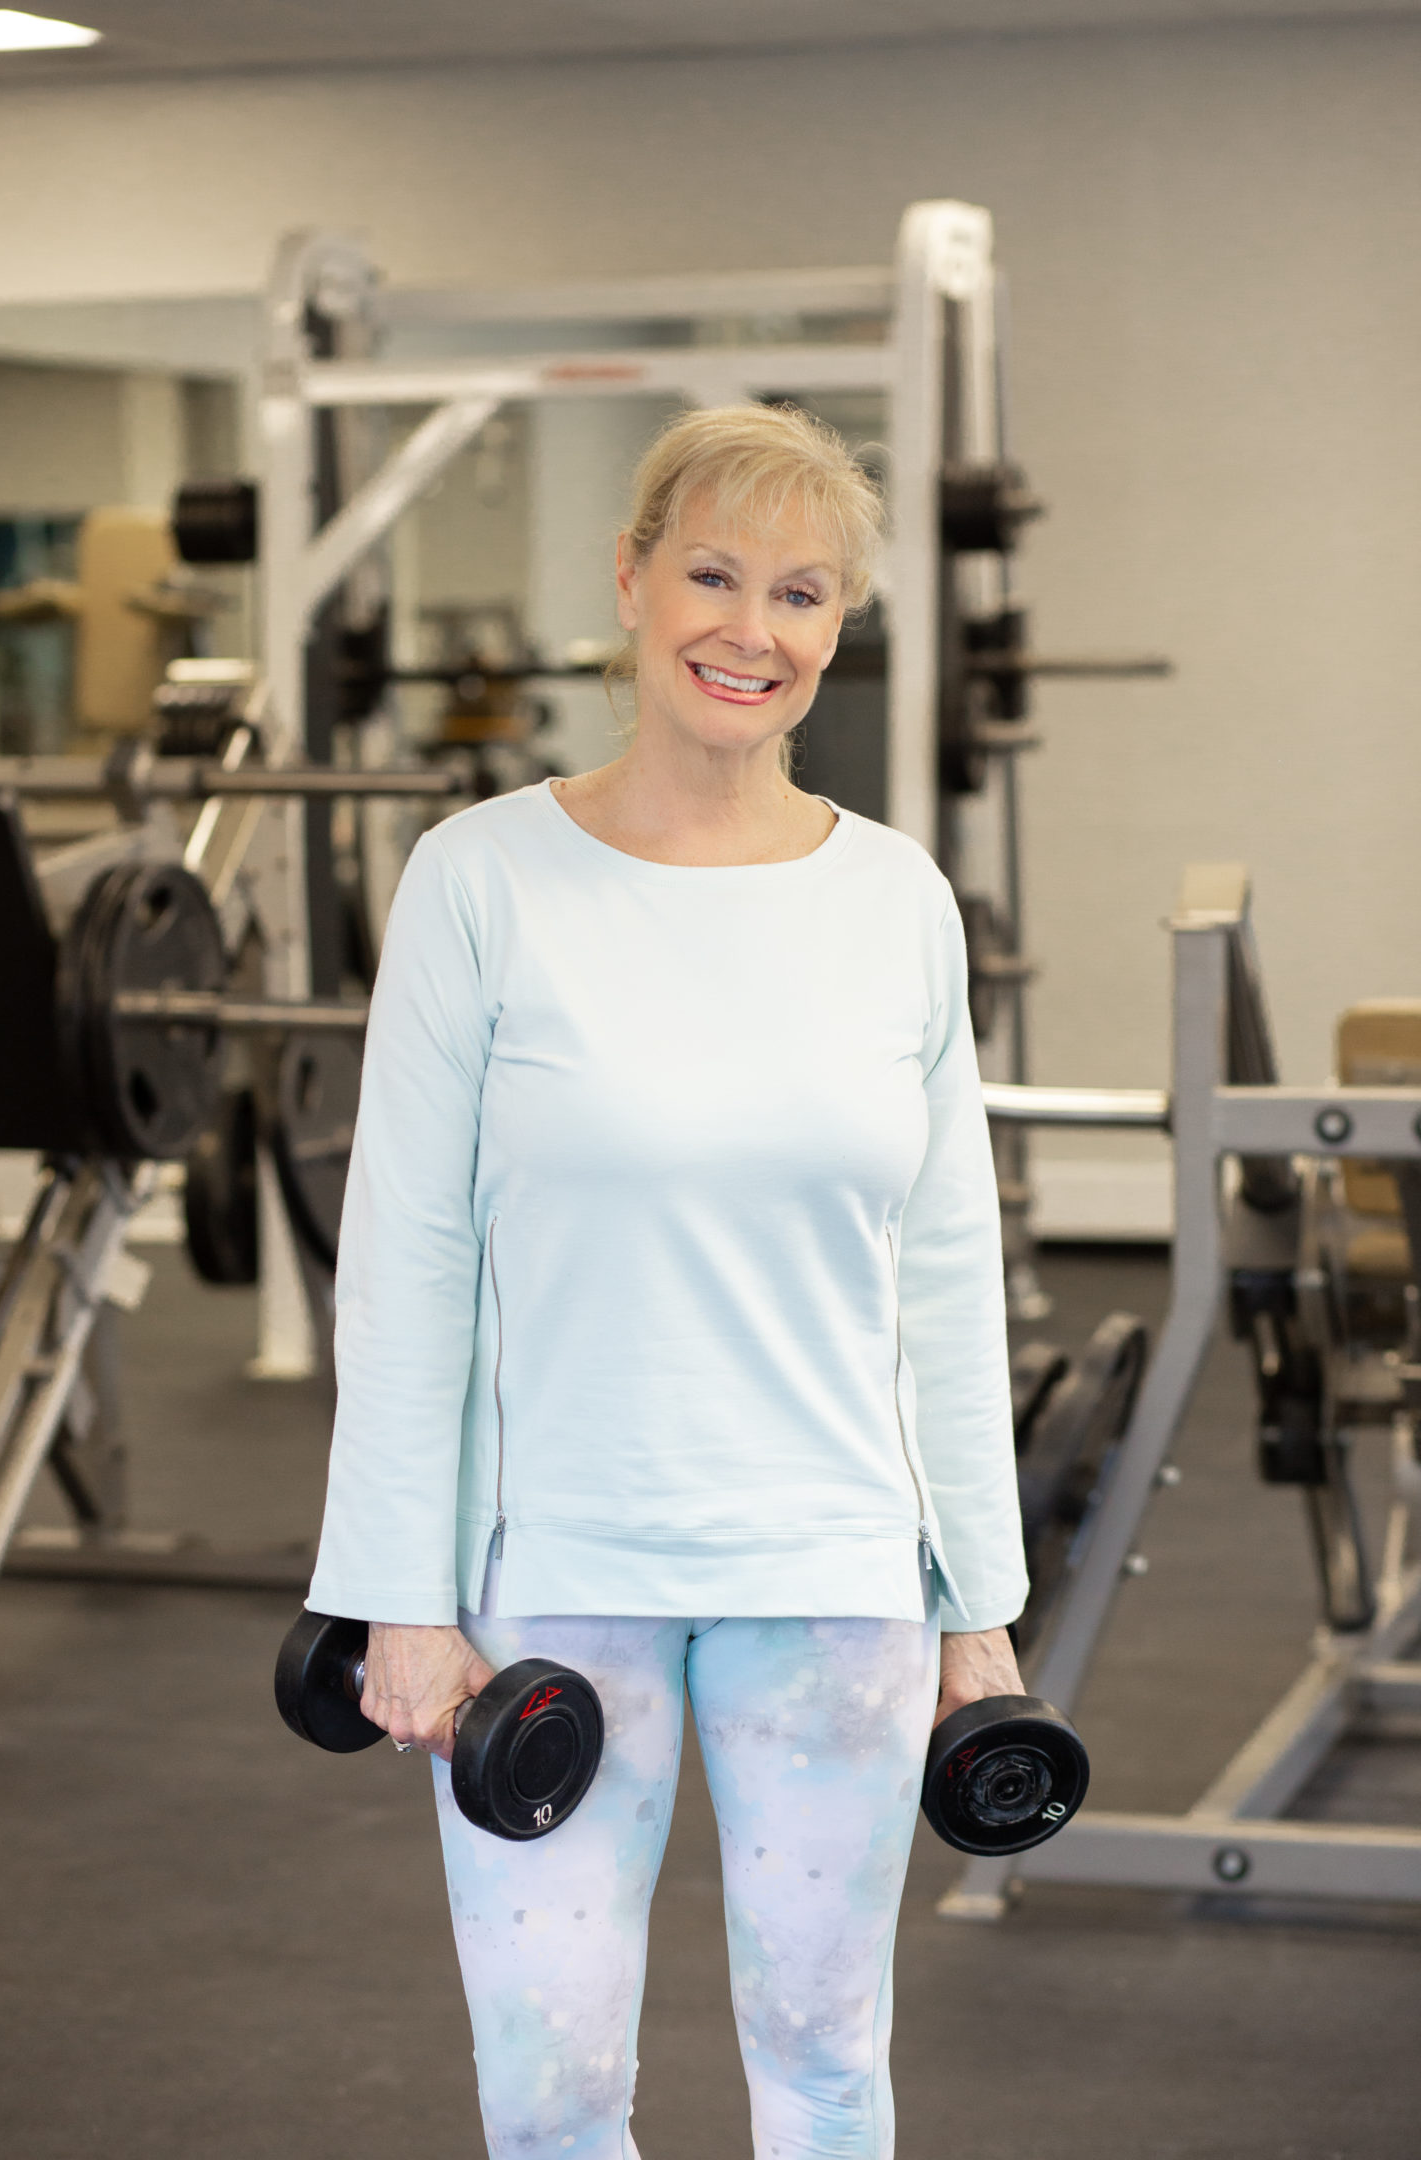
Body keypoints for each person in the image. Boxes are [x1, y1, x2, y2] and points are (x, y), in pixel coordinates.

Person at [307, 402, 1028, 2160]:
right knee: (549, 2096)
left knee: (826, 2062)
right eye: (711, 573)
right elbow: (402, 1257)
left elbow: (947, 1273)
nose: (749, 628)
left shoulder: (898, 900)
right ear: (631, 584)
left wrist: (978, 1605)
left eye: (799, 593)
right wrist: (397, 1590)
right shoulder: (480, 880)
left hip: (833, 1574)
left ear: (835, 629)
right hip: (555, 1571)